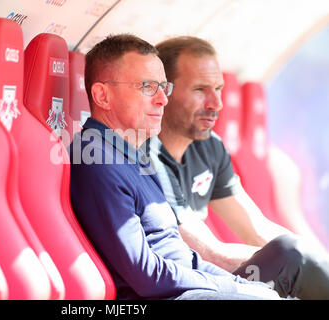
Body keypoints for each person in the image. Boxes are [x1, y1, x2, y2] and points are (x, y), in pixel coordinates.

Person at [69, 33, 280, 300]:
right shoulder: (97, 160)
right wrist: (235, 289)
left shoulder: (131, 154)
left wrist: (241, 286)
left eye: (163, 87)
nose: (162, 100)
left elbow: (185, 258)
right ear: (103, 95)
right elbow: (147, 277)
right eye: (147, 86)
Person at [144, 35, 329, 299]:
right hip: (181, 289)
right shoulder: (144, 154)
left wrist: (315, 263)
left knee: (296, 255)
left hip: (215, 280)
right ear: (164, 92)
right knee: (293, 255)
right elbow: (208, 253)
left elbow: (257, 228)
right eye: (200, 90)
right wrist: (299, 264)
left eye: (218, 89)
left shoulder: (209, 145)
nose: (215, 104)